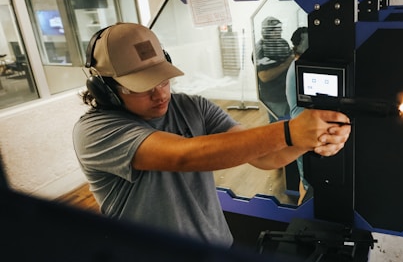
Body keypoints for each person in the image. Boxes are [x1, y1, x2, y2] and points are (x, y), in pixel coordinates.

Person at [72, 23, 351, 249]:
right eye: (141, 87)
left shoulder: (192, 107)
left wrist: (309, 140)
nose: (160, 94)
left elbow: (266, 157)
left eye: (163, 79)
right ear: (104, 89)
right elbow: (184, 155)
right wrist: (290, 131)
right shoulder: (96, 130)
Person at [285, 27, 311, 204]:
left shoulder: (300, 66)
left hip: (304, 130)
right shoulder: (299, 68)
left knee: (305, 182)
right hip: (303, 132)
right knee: (308, 186)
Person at [253, 16, 294, 122]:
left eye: (279, 30)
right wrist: (286, 64)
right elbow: (264, 76)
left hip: (286, 93)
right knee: (277, 125)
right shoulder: (260, 49)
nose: (278, 33)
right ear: (266, 31)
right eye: (275, 30)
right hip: (274, 97)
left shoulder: (282, 43)